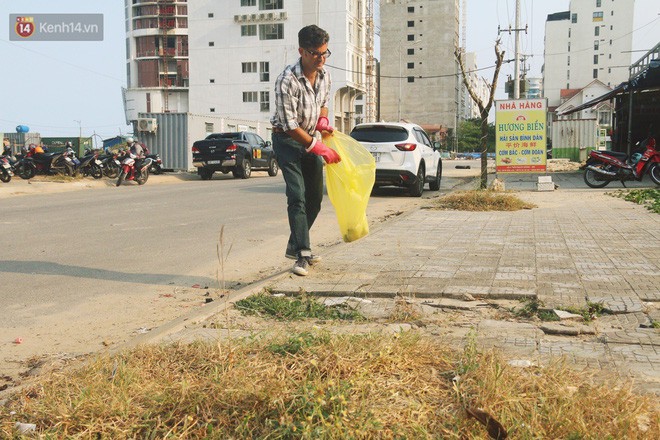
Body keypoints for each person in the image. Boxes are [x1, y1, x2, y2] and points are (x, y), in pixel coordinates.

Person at [270, 24, 341, 277]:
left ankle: (295, 244)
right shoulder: (286, 80)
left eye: (324, 53)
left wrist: (322, 119)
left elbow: (323, 103)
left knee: (315, 199)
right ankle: (302, 252)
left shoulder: (325, 76)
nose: (321, 58)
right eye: (315, 53)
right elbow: (289, 126)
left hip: (311, 137)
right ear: (301, 51)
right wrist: (319, 148)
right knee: (297, 195)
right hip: (287, 141)